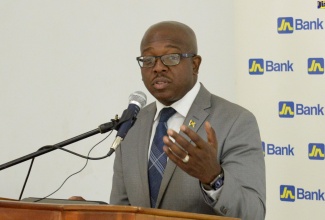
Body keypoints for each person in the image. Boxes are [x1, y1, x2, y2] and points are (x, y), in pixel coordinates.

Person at [110, 21, 266, 220]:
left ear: (195, 64)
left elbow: (254, 214)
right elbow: (121, 211)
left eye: (171, 57)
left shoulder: (236, 121)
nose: (158, 67)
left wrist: (214, 178)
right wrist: (85, 211)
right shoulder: (132, 124)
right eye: (148, 59)